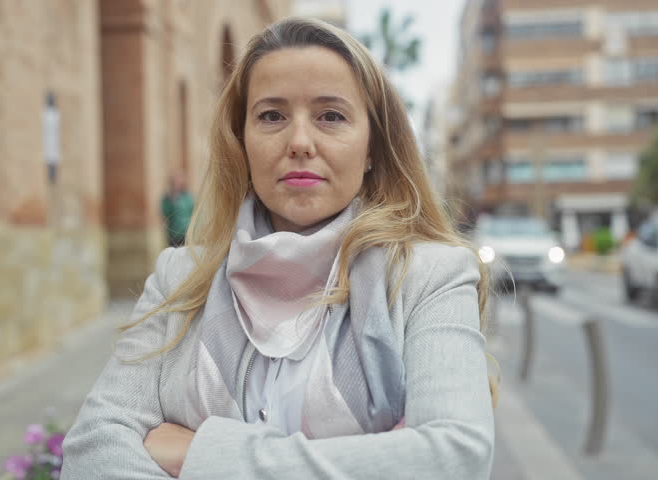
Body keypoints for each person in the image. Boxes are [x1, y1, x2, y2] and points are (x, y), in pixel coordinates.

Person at [62, 17, 496, 479]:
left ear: (373, 146)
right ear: (241, 139)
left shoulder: (429, 276)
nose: (300, 143)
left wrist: (202, 455)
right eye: (272, 116)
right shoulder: (181, 276)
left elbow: (454, 457)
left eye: (331, 116)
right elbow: (93, 449)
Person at [161, 175, 194, 247]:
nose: (177, 185)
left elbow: (193, 212)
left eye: (178, 182)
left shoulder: (187, 197)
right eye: (174, 183)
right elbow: (165, 214)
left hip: (186, 233)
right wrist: (172, 200)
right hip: (173, 235)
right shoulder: (167, 198)